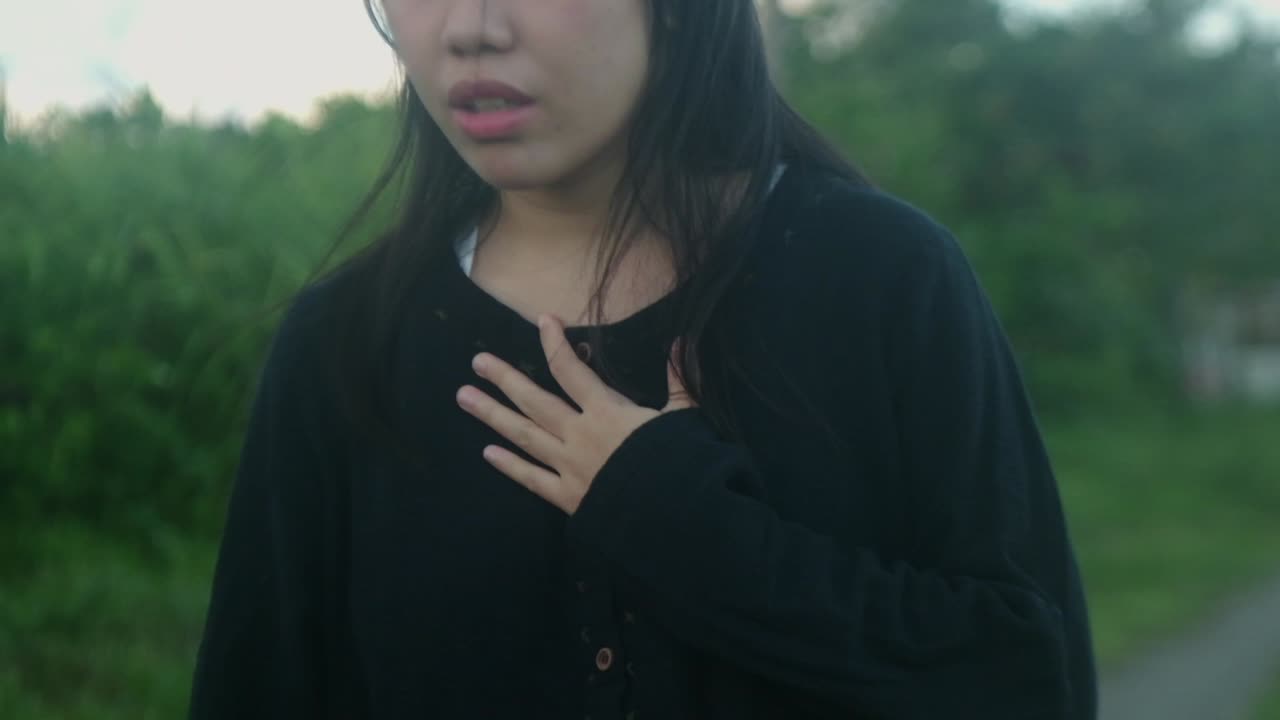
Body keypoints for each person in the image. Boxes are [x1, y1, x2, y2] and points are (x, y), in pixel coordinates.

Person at [189, 1, 1097, 718]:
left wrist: (685, 526)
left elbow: (1025, 678)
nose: (471, 26)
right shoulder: (345, 345)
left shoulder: (879, 277)